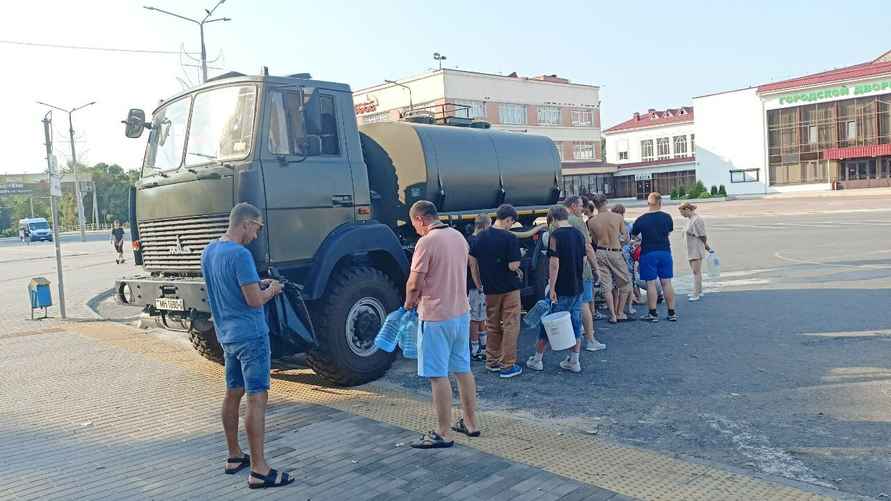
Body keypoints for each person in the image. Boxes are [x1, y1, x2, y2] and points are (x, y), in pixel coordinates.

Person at [201, 203, 292, 489]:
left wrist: (257, 283)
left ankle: (234, 456)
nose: (257, 234)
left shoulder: (210, 251)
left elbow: (227, 287)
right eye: (257, 228)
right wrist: (272, 289)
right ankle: (259, 469)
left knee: (233, 392)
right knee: (256, 397)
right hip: (251, 336)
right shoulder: (240, 254)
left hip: (227, 335)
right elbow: (254, 301)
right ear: (245, 223)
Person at [405, 200, 479, 448]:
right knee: (463, 369)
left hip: (436, 316)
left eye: (414, 224)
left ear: (420, 220)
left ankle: (443, 432)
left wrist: (408, 303)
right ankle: (470, 423)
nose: (415, 229)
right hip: (461, 313)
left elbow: (415, 283)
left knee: (438, 375)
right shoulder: (458, 236)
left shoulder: (426, 242)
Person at [526, 205, 587, 373]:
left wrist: (552, 287)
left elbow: (554, 263)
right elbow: (584, 259)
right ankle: (574, 361)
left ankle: (537, 359)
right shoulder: (578, 234)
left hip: (561, 286)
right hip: (577, 286)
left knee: (549, 323)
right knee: (575, 322)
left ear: (552, 219)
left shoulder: (555, 236)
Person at [469, 204, 525, 378]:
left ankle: (491, 361)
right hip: (509, 288)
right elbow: (512, 265)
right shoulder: (510, 238)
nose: (511, 226)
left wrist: (478, 283)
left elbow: (472, 261)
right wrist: (519, 263)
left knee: (492, 325)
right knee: (510, 324)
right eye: (511, 222)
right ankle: (507, 365)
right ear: (508, 219)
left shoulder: (480, 237)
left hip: (490, 289)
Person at [563, 196, 605, 352]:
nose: (583, 209)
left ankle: (574, 335)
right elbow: (587, 246)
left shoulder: (557, 220)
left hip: (566, 269)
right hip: (582, 269)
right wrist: (596, 268)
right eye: (581, 206)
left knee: (570, 304)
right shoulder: (577, 221)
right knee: (584, 303)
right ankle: (590, 340)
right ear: (573, 206)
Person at [631, 193, 677, 322]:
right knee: (666, 282)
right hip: (665, 251)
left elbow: (634, 236)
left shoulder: (641, 219)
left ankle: (653, 313)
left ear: (648, 203)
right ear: (660, 203)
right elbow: (668, 232)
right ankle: (671, 312)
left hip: (648, 252)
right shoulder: (667, 217)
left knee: (650, 283)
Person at [587, 194, 632, 323]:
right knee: (625, 283)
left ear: (594, 205)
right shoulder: (617, 217)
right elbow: (626, 237)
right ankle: (620, 312)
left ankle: (612, 314)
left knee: (606, 286)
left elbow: (594, 240)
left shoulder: (592, 221)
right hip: (615, 251)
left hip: (600, 252)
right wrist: (620, 242)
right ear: (606, 202)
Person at [467, 213, 491, 361]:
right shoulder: (476, 242)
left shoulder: (470, 240)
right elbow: (473, 265)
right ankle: (476, 349)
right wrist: (479, 285)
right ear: (483, 226)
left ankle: (484, 345)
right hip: (475, 286)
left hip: (476, 285)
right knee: (475, 318)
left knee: (481, 316)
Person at [679, 202, 712, 302]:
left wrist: (707, 247)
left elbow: (702, 235)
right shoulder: (690, 220)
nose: (682, 215)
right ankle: (699, 291)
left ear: (687, 209)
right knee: (696, 272)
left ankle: (696, 293)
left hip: (696, 249)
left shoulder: (697, 220)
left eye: (682, 212)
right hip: (691, 249)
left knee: (696, 272)